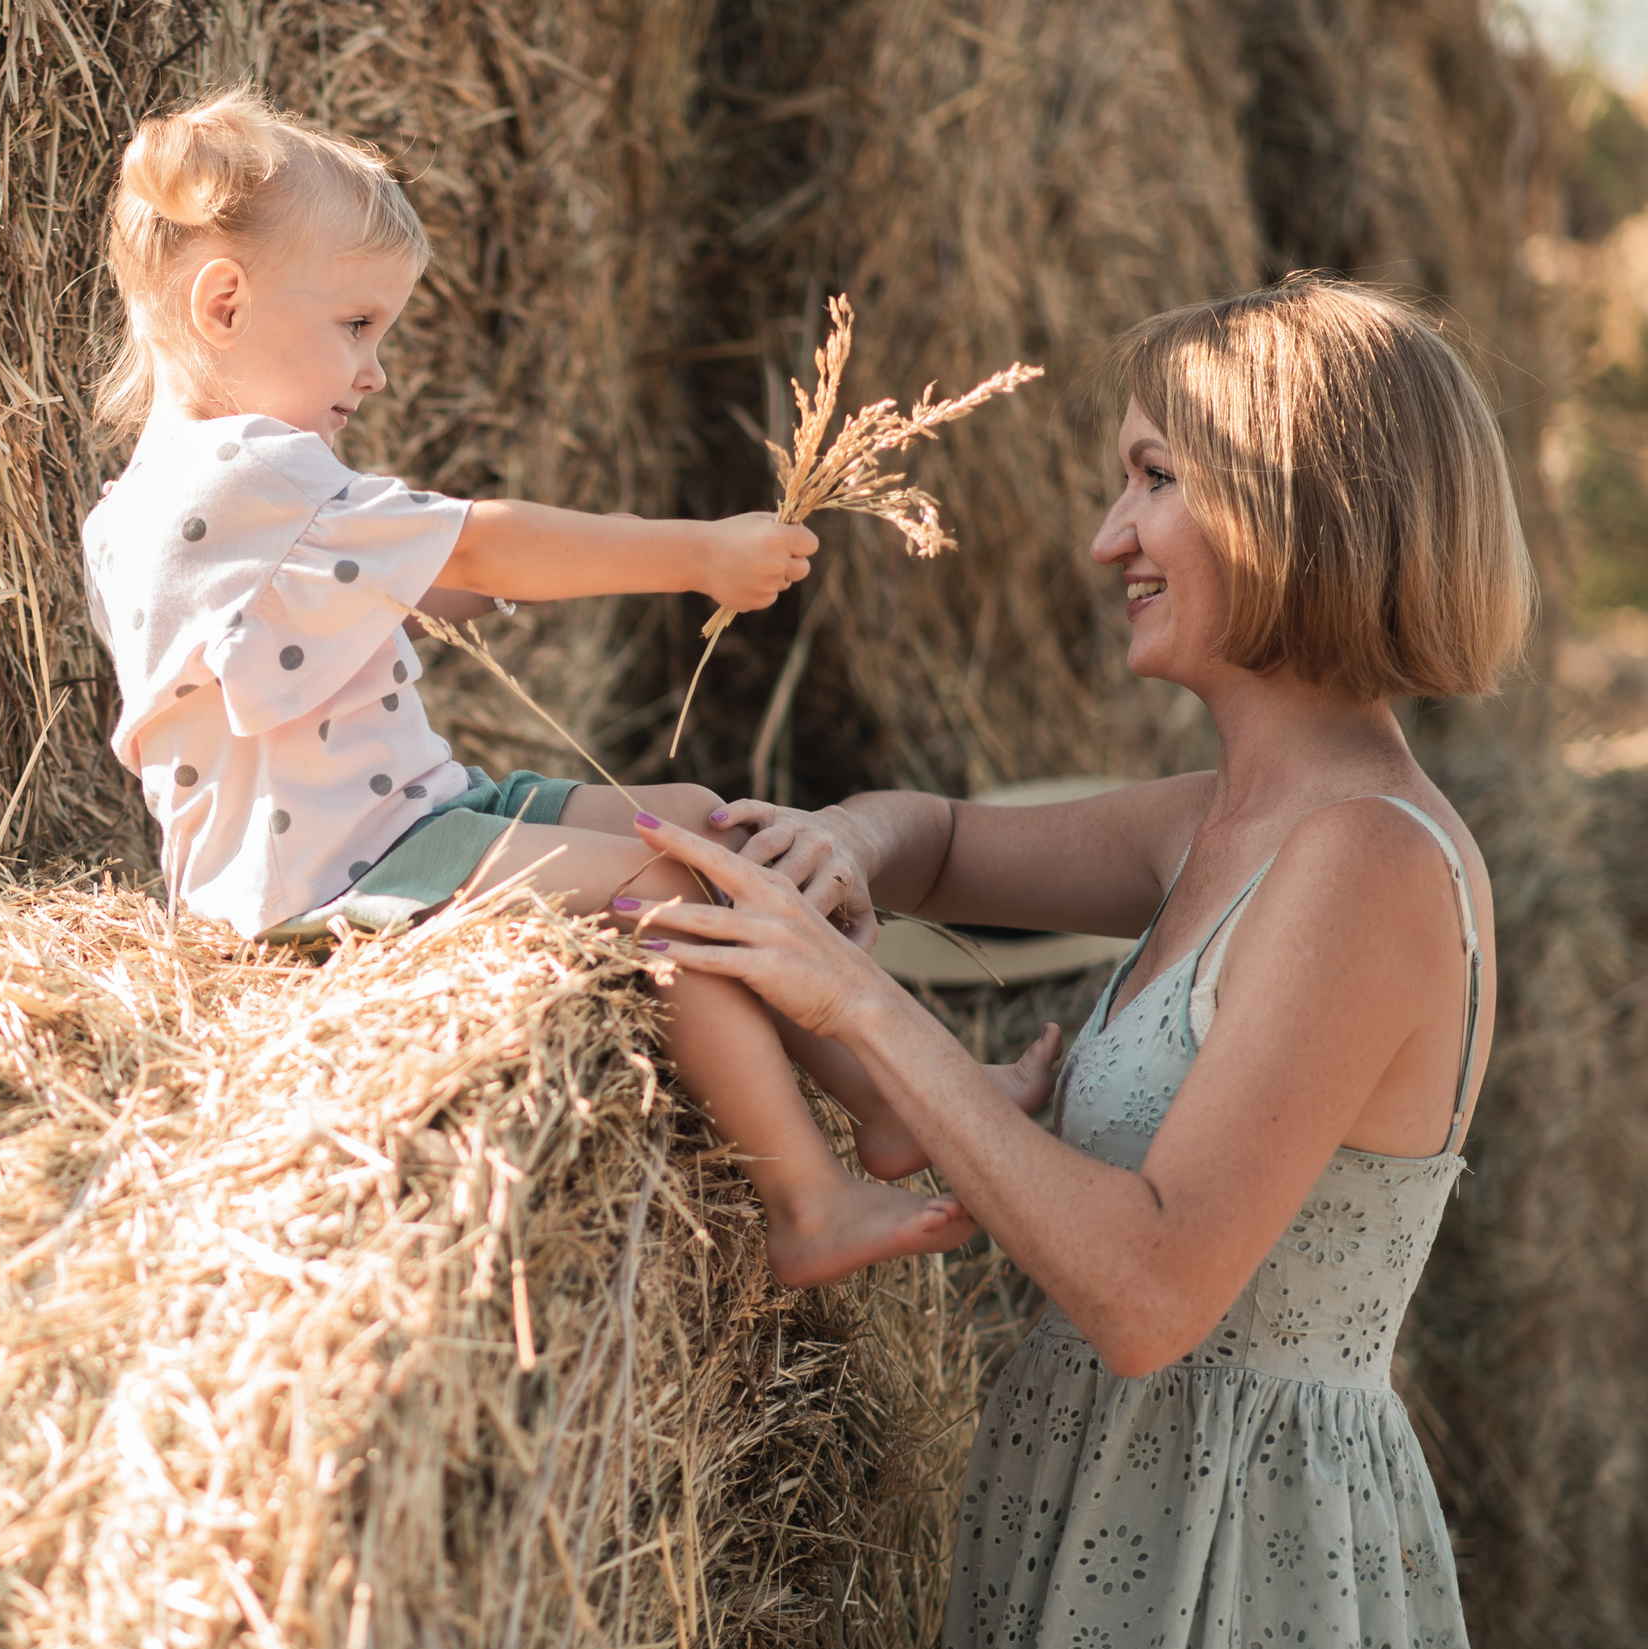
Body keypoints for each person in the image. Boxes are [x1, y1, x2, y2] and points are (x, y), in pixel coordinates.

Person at [626, 277, 1529, 1649]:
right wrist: (842, 841)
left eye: (1155, 479)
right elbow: (943, 841)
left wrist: (860, 1008)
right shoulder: (1214, 822)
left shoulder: (1370, 859)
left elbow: (1150, 1293)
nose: (1110, 537)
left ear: (1297, 501)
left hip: (1233, 1568)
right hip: (1111, 1505)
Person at [83, 88, 1053, 1284]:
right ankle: (807, 1199)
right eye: (356, 325)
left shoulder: (181, 494)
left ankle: (895, 1098)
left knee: (693, 815)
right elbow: (487, 540)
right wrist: (693, 553)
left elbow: (268, 623)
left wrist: (415, 591)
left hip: (411, 818)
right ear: (222, 302)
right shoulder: (241, 471)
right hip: (318, 882)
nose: (375, 371)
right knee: (660, 881)